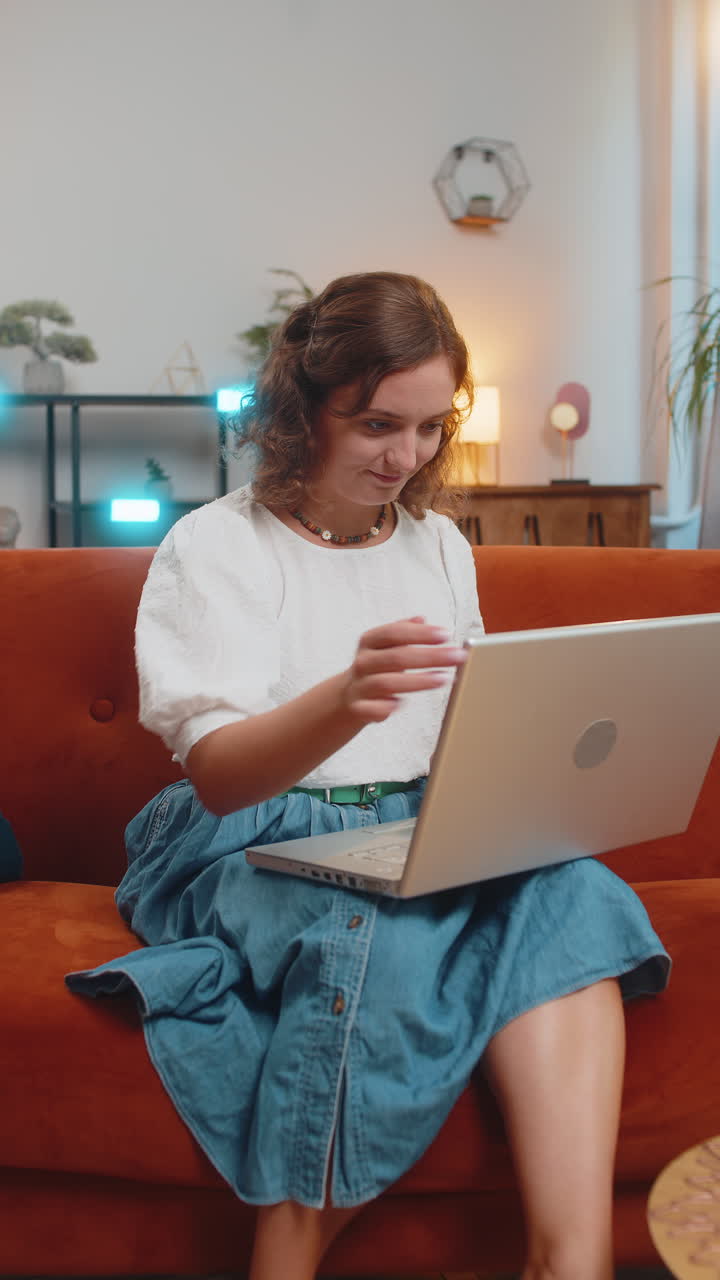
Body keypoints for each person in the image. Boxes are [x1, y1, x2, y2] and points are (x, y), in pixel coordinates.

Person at [66, 271, 669, 1280]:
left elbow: (472, 724)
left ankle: (571, 1261)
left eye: (431, 427)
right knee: (378, 932)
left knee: (575, 892)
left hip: (422, 822)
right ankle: (287, 1252)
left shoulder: (437, 545)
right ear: (306, 410)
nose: (408, 456)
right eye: (379, 424)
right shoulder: (215, 546)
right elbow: (219, 774)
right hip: (249, 833)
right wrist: (344, 695)